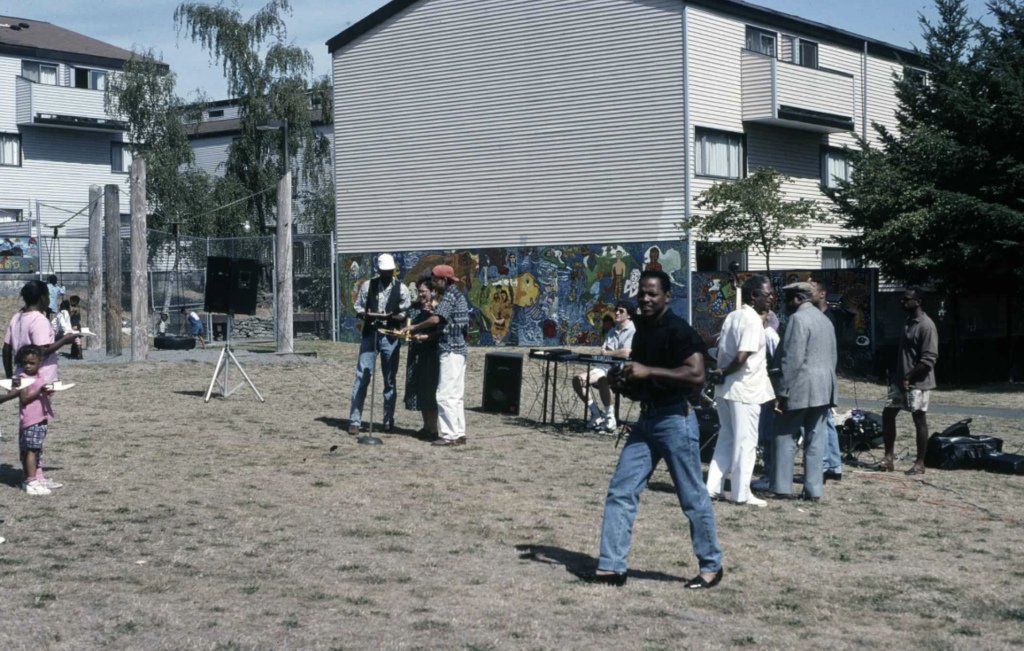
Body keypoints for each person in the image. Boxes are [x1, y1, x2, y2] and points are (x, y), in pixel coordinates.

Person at [590, 270, 723, 589]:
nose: (646, 299)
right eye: (641, 295)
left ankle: (711, 566)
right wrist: (624, 383)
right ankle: (611, 567)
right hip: (647, 421)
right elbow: (645, 378)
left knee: (691, 496)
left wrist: (647, 370)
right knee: (621, 491)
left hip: (675, 421)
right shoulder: (643, 330)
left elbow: (695, 375)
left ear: (666, 296)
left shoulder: (679, 330)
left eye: (652, 294)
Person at [706, 275, 775, 508]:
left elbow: (723, 350)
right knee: (745, 442)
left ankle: (712, 487)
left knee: (727, 439)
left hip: (726, 389)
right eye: (768, 294)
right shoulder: (752, 320)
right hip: (744, 389)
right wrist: (725, 372)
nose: (771, 298)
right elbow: (742, 357)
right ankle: (741, 493)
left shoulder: (733, 316)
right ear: (754, 295)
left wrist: (722, 374)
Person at [764, 282, 837, 502]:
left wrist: (781, 392)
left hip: (801, 386)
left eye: (787, 300)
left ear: (797, 299)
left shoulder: (797, 319)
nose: (785, 305)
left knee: (784, 436)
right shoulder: (825, 319)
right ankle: (814, 491)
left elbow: (792, 359)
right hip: (824, 388)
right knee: (816, 440)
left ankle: (782, 488)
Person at [401, 265, 469, 447]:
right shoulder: (456, 295)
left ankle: (448, 435)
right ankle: (459, 433)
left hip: (451, 350)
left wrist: (413, 327)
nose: (433, 284)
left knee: (445, 395)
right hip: (458, 351)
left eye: (434, 281)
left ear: (444, 280)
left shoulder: (449, 295)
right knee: (455, 395)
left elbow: (436, 319)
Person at [349, 253, 411, 435]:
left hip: (390, 337)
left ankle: (387, 419)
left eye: (389, 272)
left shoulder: (402, 289)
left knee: (389, 380)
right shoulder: (368, 285)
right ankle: (354, 419)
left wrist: (392, 317)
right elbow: (358, 307)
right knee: (362, 376)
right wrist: (366, 315)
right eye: (384, 272)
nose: (386, 275)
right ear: (379, 271)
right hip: (371, 334)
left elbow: (405, 312)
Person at [882, 287, 939, 475]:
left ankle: (920, 463)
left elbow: (929, 358)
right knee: (888, 413)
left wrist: (909, 376)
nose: (902, 302)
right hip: (901, 381)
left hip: (918, 382)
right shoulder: (908, 322)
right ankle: (888, 458)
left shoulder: (926, 325)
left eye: (906, 299)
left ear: (918, 302)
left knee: (919, 418)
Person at [571, 301, 635, 433]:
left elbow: (626, 352)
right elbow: (602, 351)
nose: (616, 313)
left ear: (628, 315)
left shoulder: (633, 330)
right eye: (616, 310)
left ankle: (610, 418)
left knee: (603, 380)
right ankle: (596, 414)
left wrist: (608, 353)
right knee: (577, 380)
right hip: (603, 367)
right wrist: (608, 353)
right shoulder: (612, 330)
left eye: (621, 311)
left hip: (622, 371)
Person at [3, 280, 77, 389]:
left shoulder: (17, 317)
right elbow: (41, 350)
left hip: (20, 376)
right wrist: (65, 341)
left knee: (25, 405)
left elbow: (6, 349)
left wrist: (11, 378)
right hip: (39, 380)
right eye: (48, 296)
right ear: (42, 298)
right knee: (37, 406)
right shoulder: (39, 320)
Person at [810, 279, 843, 482]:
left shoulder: (829, 318)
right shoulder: (815, 316)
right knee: (827, 419)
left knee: (819, 420)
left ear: (822, 294)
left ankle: (825, 465)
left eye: (811, 289)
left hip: (823, 372)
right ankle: (834, 464)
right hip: (821, 372)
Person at [14, 346, 57, 495]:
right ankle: (31, 481)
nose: (28, 366)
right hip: (31, 419)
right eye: (25, 362)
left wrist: (48, 391)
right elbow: (24, 398)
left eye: (32, 363)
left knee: (35, 449)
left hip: (41, 417)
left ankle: (29, 477)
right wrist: (39, 390)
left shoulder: (39, 375)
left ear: (40, 362)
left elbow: (41, 394)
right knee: (32, 450)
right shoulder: (23, 378)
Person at [404, 278, 440, 438]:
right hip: (416, 353)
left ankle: (433, 429)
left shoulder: (437, 308)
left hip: (431, 354)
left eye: (423, 292)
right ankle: (426, 426)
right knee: (420, 390)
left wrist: (422, 336)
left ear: (431, 291)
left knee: (430, 391)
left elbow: (439, 332)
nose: (421, 295)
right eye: (419, 292)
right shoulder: (414, 308)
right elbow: (408, 326)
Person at [69, 295, 83, 359]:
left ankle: (80, 355)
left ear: (75, 302)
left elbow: (69, 316)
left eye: (71, 301)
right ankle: (74, 353)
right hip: (77, 325)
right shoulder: (78, 308)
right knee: (76, 340)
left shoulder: (75, 309)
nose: (70, 302)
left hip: (74, 326)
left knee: (77, 340)